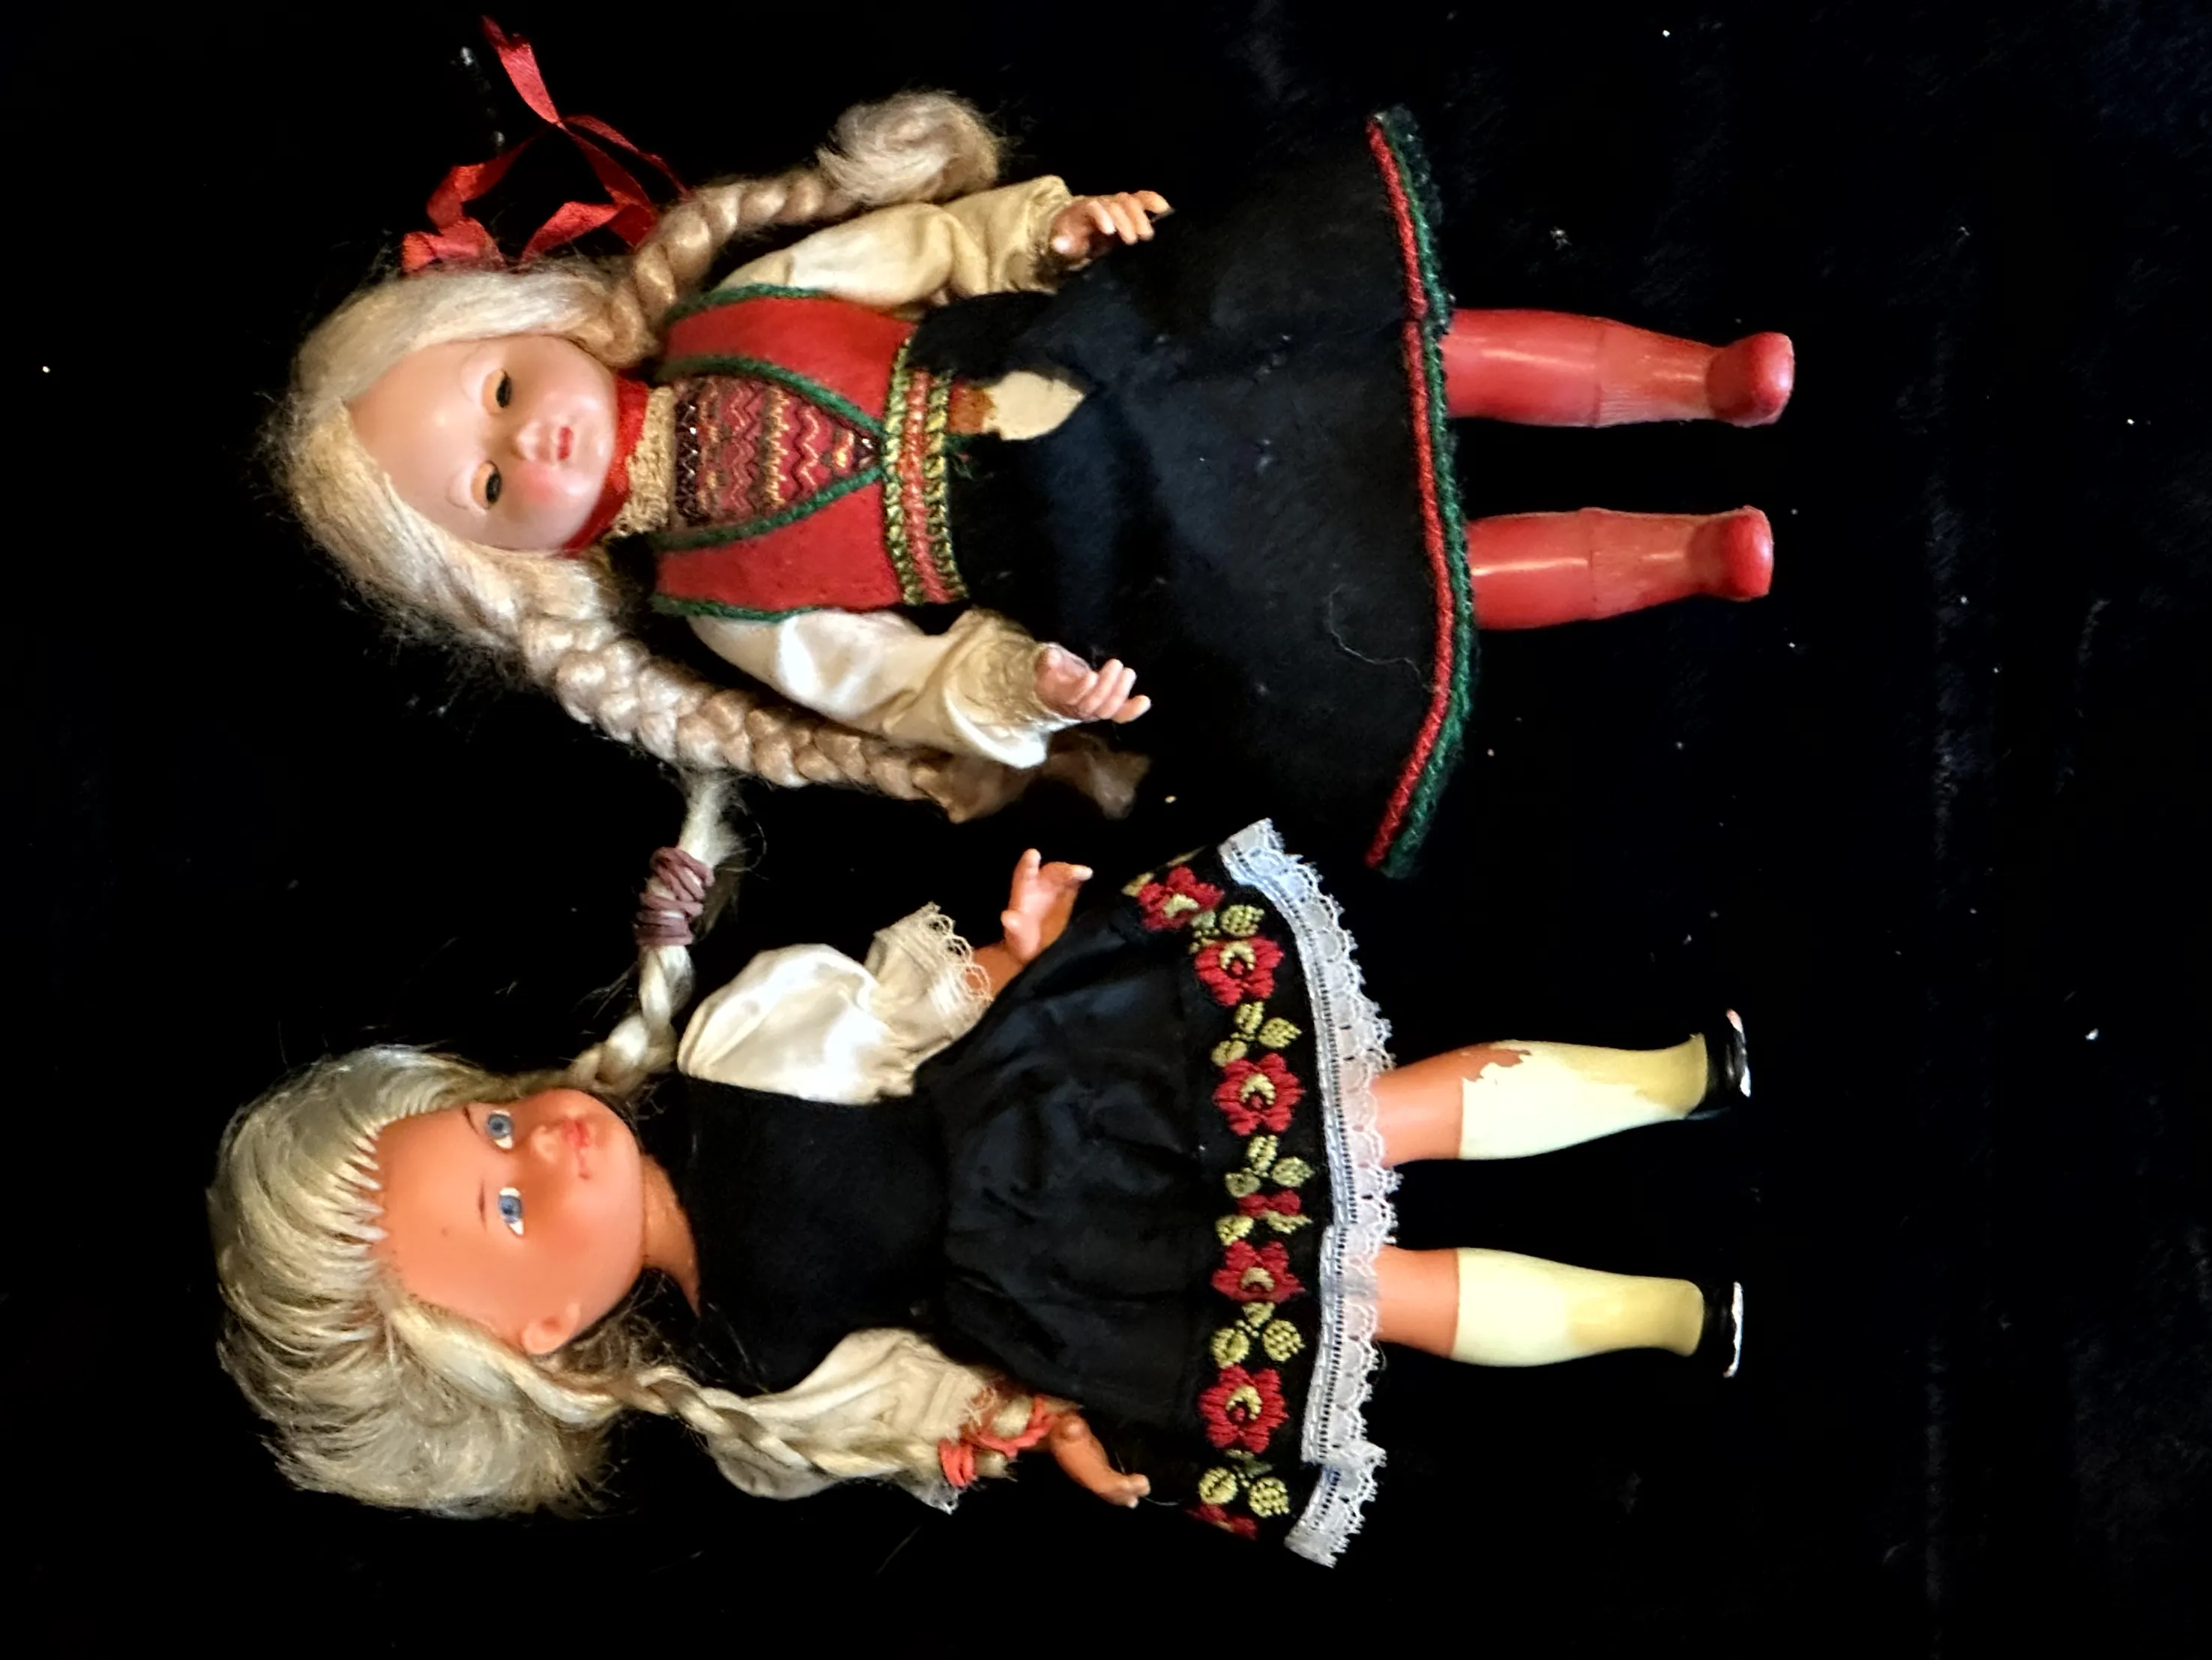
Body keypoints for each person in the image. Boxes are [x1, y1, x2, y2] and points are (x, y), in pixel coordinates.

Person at [284, 25, 1792, 870]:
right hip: (1105, 552)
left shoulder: (742, 310)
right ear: (510, 569)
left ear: (521, 315)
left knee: (1406, 352)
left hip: (1115, 349)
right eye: (492, 484)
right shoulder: (722, 605)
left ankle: (1693, 382)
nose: (530, 433)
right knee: (1392, 582)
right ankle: (1677, 555)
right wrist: (1026, 688)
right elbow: (898, 684)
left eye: (497, 389)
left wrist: (1048, 231)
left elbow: (932, 249)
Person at [210, 786, 1752, 1563]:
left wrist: (1006, 963)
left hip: (1053, 1107)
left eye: (493, 1127)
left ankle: (1665, 1081)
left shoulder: (732, 1048)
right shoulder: (753, 1374)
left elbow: (890, 1028)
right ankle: (1662, 1315)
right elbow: (917, 1396)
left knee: (1370, 1112)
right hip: (1065, 1292)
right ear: (540, 1332)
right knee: (1373, 1298)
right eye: (510, 1210)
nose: (542, 1145)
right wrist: (1034, 1421)